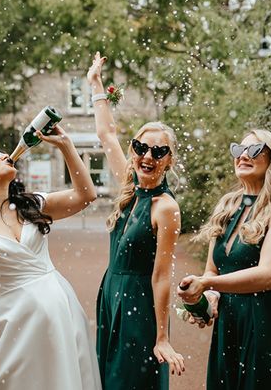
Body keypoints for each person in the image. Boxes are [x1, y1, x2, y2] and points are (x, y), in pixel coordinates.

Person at [0, 128, 103, 390]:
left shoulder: (31, 205)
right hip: (14, 323)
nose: (5, 155)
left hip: (61, 312)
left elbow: (85, 196)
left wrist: (65, 145)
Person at [178, 129, 271, 389]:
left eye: (254, 150)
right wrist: (207, 301)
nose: (243, 156)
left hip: (267, 320)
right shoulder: (227, 208)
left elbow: (267, 276)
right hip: (230, 319)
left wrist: (206, 285)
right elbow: (212, 271)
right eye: (238, 150)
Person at [87, 51, 185, 389]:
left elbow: (161, 277)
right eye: (141, 147)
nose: (147, 156)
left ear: (169, 161)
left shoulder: (166, 208)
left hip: (139, 304)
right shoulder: (128, 184)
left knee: (128, 381)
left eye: (158, 152)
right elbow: (106, 134)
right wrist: (96, 84)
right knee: (107, 376)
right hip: (111, 294)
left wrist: (162, 337)